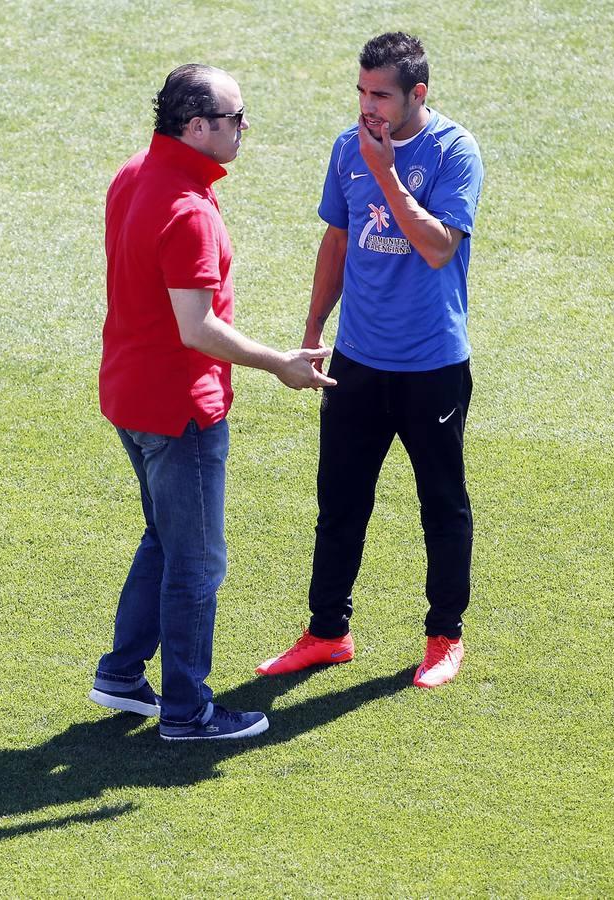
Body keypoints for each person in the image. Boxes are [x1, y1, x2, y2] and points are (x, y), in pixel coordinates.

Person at [92, 64, 336, 740]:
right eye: (234, 118)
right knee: (197, 563)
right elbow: (195, 327)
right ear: (195, 126)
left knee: (164, 540)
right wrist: (278, 364)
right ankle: (187, 711)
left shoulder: (133, 173)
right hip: (180, 410)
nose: (244, 128)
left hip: (128, 394)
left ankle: (119, 675)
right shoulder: (188, 210)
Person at [256, 32, 485, 689]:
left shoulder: (452, 152)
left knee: (441, 506)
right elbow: (337, 241)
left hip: (431, 366)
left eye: (379, 94)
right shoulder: (344, 149)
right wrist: (310, 329)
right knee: (339, 504)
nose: (367, 106)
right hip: (356, 362)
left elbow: (438, 247)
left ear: (417, 93)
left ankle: (444, 638)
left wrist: (384, 171)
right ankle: (326, 633)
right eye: (360, 91)